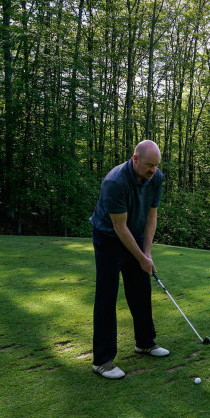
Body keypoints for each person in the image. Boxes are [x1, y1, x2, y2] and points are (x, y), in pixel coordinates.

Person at [89, 140, 169, 379]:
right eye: (149, 165)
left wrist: (147, 254)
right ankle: (102, 361)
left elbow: (151, 216)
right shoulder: (115, 182)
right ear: (135, 159)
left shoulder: (156, 177)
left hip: (133, 234)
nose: (153, 170)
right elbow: (119, 227)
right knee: (107, 294)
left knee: (141, 289)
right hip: (108, 238)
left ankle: (145, 342)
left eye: (156, 166)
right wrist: (141, 257)